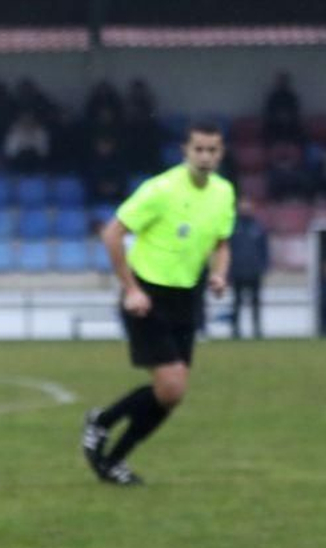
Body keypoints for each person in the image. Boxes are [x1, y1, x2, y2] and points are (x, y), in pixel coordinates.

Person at [82, 121, 234, 486]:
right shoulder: (161, 189)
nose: (205, 156)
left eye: (212, 150)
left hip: (188, 297)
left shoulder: (223, 192)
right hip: (148, 296)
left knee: (170, 396)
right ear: (185, 150)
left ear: (221, 153)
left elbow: (220, 242)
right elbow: (113, 233)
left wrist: (219, 274)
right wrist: (130, 289)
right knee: (172, 386)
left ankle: (112, 459)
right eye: (198, 149)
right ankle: (101, 422)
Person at [227, 198, 269, 340]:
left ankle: (257, 330)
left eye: (247, 207)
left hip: (254, 271)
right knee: (236, 303)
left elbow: (265, 249)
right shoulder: (232, 227)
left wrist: (264, 266)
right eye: (243, 207)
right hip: (237, 271)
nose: (245, 210)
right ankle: (235, 331)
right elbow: (228, 250)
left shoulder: (258, 227)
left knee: (256, 303)